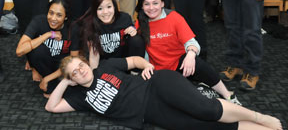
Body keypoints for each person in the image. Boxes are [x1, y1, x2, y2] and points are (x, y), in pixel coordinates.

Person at [46, 55, 282, 130]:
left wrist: (147, 66)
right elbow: (51, 106)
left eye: (80, 65)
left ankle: (260, 118)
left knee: (206, 108)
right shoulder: (80, 97)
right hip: (151, 114)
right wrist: (65, 82)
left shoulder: (105, 67)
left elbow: (135, 60)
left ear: (86, 62)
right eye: (74, 73)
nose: (81, 71)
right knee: (207, 126)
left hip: (157, 84)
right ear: (72, 80)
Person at [135, 0, 240, 104]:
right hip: (157, 70)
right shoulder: (140, 22)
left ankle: (227, 95)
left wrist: (190, 55)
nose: (151, 8)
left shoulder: (174, 17)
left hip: (178, 64)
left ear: (163, 3)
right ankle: (199, 89)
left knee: (197, 62)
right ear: (142, 6)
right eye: (147, 4)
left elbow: (192, 43)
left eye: (155, 3)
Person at [16, 0, 79, 96]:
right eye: (51, 13)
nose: (53, 18)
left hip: (62, 66)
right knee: (36, 48)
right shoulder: (38, 21)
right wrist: (48, 35)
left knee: (73, 87)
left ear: (66, 17)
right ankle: (37, 69)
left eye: (59, 15)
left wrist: (47, 79)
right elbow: (19, 51)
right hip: (44, 61)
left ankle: (49, 79)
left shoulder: (73, 28)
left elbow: (73, 60)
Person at [72, 0, 145, 68]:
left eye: (109, 7)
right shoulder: (91, 25)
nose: (105, 12)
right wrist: (95, 75)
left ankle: (135, 73)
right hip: (104, 65)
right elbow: (93, 56)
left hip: (125, 62)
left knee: (136, 39)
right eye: (100, 8)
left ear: (114, 6)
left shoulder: (124, 18)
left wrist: (133, 30)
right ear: (95, 10)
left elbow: (135, 42)